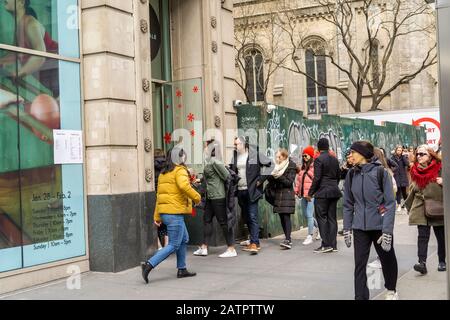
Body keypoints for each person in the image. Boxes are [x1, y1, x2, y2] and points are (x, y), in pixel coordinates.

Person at [343, 141, 398, 300]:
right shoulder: (351, 174)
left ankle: (391, 290)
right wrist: (347, 227)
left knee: (387, 258)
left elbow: (389, 203)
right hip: (360, 226)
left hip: (380, 225)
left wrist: (387, 231)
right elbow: (347, 204)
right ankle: (360, 297)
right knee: (359, 264)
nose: (350, 155)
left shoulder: (381, 172)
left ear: (362, 154)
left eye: (353, 152)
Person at [141, 147, 201, 284]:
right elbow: (184, 187)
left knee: (184, 238)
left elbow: (159, 197)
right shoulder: (179, 170)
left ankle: (182, 269)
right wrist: (197, 198)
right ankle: (148, 264)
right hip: (174, 213)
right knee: (174, 244)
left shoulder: (163, 173)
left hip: (166, 212)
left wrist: (157, 216)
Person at [405, 145, 446, 274]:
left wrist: (444, 181)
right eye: (417, 154)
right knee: (422, 236)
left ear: (430, 156)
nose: (419, 156)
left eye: (422, 154)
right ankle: (422, 263)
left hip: (437, 206)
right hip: (421, 206)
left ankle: (442, 261)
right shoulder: (415, 169)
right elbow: (412, 189)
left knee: (441, 236)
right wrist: (409, 205)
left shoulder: (440, 168)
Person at [193, 140, 237, 258]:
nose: (204, 148)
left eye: (206, 147)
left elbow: (227, 176)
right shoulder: (209, 161)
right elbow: (212, 176)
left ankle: (231, 248)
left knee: (223, 222)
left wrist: (225, 192)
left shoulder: (214, 161)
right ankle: (204, 247)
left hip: (218, 197)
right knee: (207, 220)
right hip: (210, 196)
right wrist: (201, 180)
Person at [230, 136, 272, 254]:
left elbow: (270, 164)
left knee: (252, 216)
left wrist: (261, 180)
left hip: (252, 191)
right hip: (240, 190)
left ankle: (254, 243)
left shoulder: (255, 155)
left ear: (244, 144)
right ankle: (255, 242)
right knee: (247, 217)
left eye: (237, 144)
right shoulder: (235, 156)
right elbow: (232, 170)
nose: (235, 146)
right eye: (234, 144)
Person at [1, 0, 58, 78]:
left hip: (56, 69)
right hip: (48, 72)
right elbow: (15, 54)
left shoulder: (31, 24)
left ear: (21, 3)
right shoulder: (20, 26)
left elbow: (40, 55)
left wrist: (20, 73)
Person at [307, 138, 341, 253]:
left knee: (321, 217)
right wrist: (333, 186)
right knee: (332, 218)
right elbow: (338, 176)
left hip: (322, 192)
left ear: (318, 147)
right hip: (334, 191)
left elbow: (317, 178)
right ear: (327, 146)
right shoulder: (335, 159)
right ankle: (333, 244)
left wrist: (310, 193)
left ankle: (325, 244)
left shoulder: (318, 159)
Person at [367, 147, 398, 269]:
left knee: (384, 234)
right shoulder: (385, 171)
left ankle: (383, 258)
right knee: (384, 234)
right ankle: (383, 258)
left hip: (382, 208)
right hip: (383, 207)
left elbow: (392, 191)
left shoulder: (382, 172)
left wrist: (381, 204)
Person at [267, 148, 297, 249]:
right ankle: (287, 238)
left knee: (286, 217)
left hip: (287, 194)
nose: (277, 159)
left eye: (279, 157)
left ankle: (288, 239)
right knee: (281, 217)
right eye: (276, 157)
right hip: (278, 195)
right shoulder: (276, 167)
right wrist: (271, 176)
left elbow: (289, 182)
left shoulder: (291, 165)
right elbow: (272, 182)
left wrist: (278, 176)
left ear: (284, 156)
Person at [295, 146, 320, 245]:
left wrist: (313, 193)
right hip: (303, 195)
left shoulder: (314, 167)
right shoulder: (302, 167)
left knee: (309, 215)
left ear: (310, 156)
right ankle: (319, 228)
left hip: (311, 195)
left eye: (306, 155)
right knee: (306, 215)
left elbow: (316, 181)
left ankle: (310, 235)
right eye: (303, 156)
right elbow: (298, 181)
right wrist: (296, 190)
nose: (304, 157)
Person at [154, 149, 168, 249]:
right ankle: (167, 244)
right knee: (166, 220)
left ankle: (159, 245)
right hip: (165, 196)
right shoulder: (167, 166)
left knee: (155, 221)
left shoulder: (151, 165)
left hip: (155, 195)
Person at [391, 145, 410, 212]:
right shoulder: (393, 157)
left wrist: (404, 157)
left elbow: (407, 164)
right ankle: (399, 205)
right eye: (398, 150)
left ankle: (406, 204)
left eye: (400, 150)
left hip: (403, 176)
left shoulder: (403, 157)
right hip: (396, 176)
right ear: (396, 150)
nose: (399, 151)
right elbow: (391, 165)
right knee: (398, 192)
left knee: (404, 192)